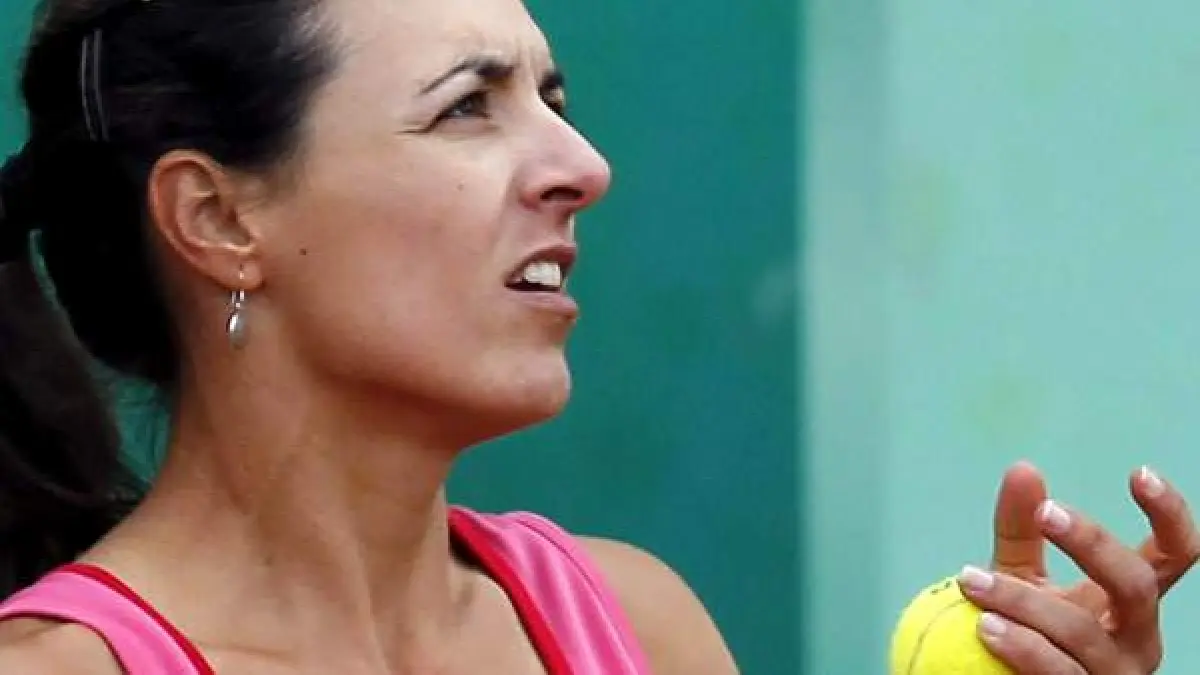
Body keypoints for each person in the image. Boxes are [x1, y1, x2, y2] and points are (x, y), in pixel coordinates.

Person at [0, 0, 1193, 673]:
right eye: (468, 107)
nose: (583, 165)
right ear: (219, 218)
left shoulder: (636, 625)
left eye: (553, 100)